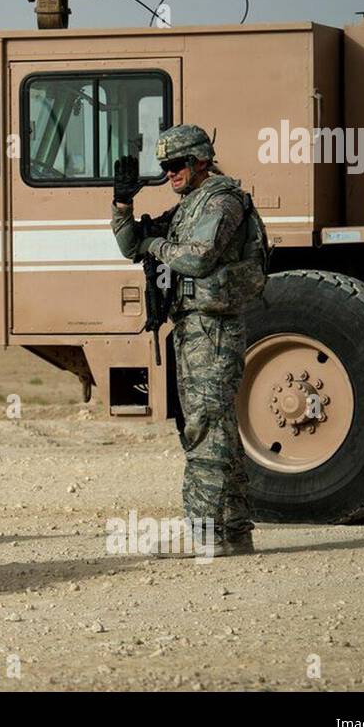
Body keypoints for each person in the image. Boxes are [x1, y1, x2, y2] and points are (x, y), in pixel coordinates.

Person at [110, 124, 268, 557]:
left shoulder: (221, 201)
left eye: (177, 165)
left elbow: (196, 260)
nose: (170, 174)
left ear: (201, 160)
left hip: (213, 330)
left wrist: (158, 246)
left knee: (205, 429)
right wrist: (123, 204)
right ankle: (234, 532)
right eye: (164, 168)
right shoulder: (188, 206)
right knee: (217, 431)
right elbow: (130, 246)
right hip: (192, 329)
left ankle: (204, 533)